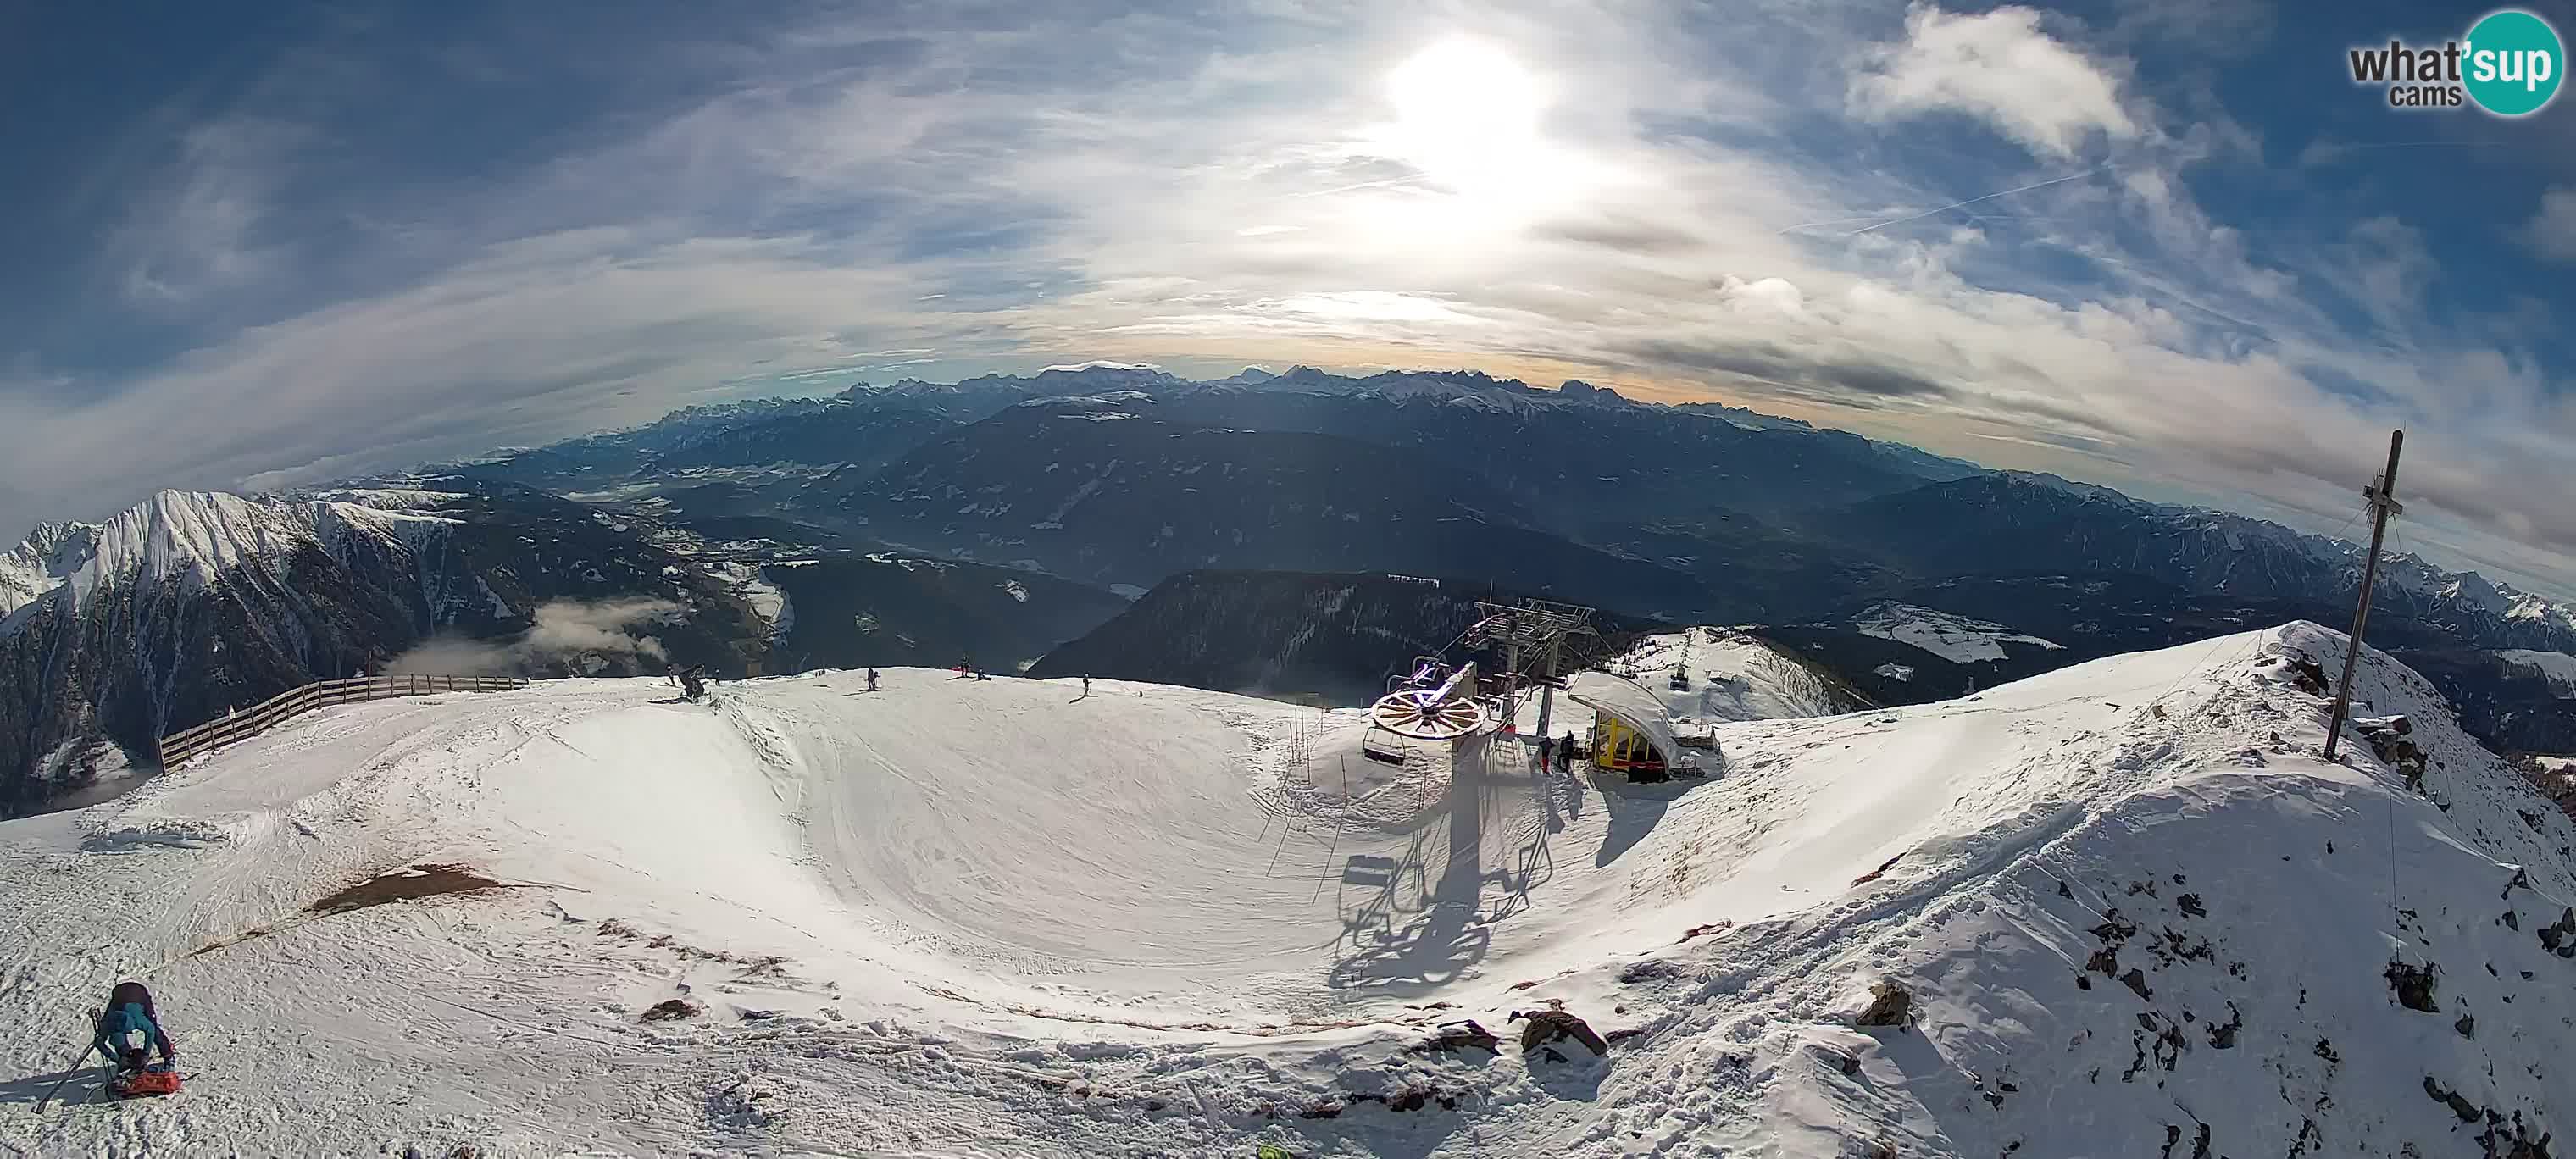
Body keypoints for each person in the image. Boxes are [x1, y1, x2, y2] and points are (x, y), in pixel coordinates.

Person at [92, 981, 174, 1075]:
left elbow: (151, 1030)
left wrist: (146, 1053)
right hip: (119, 995)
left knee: (155, 1030)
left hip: (139, 994)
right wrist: (118, 1059)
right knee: (119, 1041)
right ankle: (127, 1061)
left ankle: (168, 1056)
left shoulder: (139, 1020)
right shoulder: (107, 1024)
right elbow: (98, 1043)